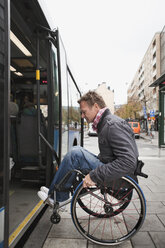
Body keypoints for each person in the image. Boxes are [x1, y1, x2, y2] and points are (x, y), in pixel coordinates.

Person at [38, 91, 139, 207]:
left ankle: (59, 198)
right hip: (116, 172)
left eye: (84, 112)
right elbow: (111, 156)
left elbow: (128, 162)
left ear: (96, 106)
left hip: (121, 178)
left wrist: (94, 175)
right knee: (77, 150)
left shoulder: (112, 125)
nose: (82, 116)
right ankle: (55, 191)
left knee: (75, 154)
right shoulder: (106, 123)